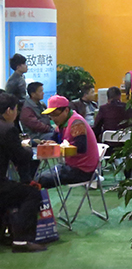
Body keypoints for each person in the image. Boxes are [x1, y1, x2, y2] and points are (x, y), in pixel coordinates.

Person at [0, 93, 46, 253]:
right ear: (8, 111)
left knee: (10, 192)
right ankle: (22, 240)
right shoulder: (7, 130)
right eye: (16, 110)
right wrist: (26, 148)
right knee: (31, 194)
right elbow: (20, 157)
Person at [38, 95, 99, 188]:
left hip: (83, 171)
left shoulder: (76, 123)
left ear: (66, 110)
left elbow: (80, 149)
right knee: (38, 178)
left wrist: (57, 148)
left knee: (41, 180)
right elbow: (54, 139)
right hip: (71, 166)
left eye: (56, 114)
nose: (53, 118)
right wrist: (48, 143)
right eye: (50, 115)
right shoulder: (63, 123)